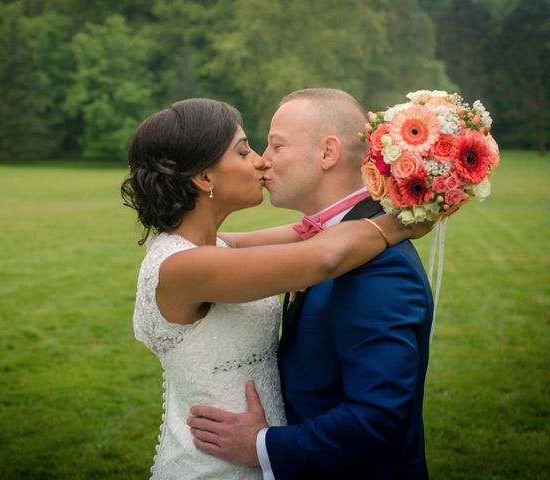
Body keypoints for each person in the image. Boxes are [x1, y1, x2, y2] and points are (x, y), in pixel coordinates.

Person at [121, 97, 429, 480]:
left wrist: (400, 193)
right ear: (204, 178)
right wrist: (401, 221)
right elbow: (322, 257)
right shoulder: (185, 265)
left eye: (271, 146)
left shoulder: (215, 248)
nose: (261, 160)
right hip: (214, 462)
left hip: (262, 454)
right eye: (244, 150)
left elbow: (305, 233)